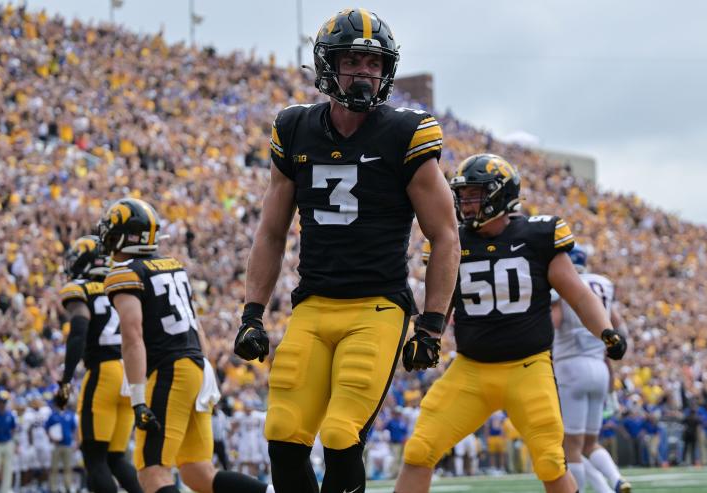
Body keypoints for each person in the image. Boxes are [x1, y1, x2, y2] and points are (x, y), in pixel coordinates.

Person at [233, 8, 460, 493]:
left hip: (376, 307)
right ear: (327, 64)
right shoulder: (295, 128)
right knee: (282, 431)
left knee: (340, 433)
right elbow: (271, 232)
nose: (365, 72)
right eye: (354, 60)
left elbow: (445, 235)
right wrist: (251, 313)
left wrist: (433, 324)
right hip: (313, 305)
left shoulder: (406, 132)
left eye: (375, 63)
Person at [394, 154, 627, 493]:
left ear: (500, 194)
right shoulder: (453, 241)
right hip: (470, 371)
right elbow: (441, 301)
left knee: (550, 460)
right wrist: (429, 335)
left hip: (528, 368)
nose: (465, 202)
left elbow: (577, 293)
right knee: (419, 449)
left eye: (474, 194)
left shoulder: (538, 235)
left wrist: (606, 331)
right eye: (463, 194)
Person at [100, 198, 271, 493]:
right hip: (194, 365)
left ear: (129, 236)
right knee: (197, 472)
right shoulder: (172, 266)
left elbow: (132, 336)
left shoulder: (126, 273)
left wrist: (138, 398)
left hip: (168, 369)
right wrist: (204, 370)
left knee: (152, 473)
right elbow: (196, 325)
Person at [55, 235, 141, 493]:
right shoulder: (120, 287)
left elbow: (79, 330)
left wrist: (66, 380)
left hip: (103, 373)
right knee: (116, 458)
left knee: (94, 458)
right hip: (130, 374)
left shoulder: (80, 288)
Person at [551, 244, 631, 491]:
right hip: (599, 366)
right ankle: (615, 481)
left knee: (570, 447)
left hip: (571, 366)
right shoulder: (603, 284)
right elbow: (620, 329)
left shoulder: (564, 285)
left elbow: (553, 325)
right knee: (589, 443)